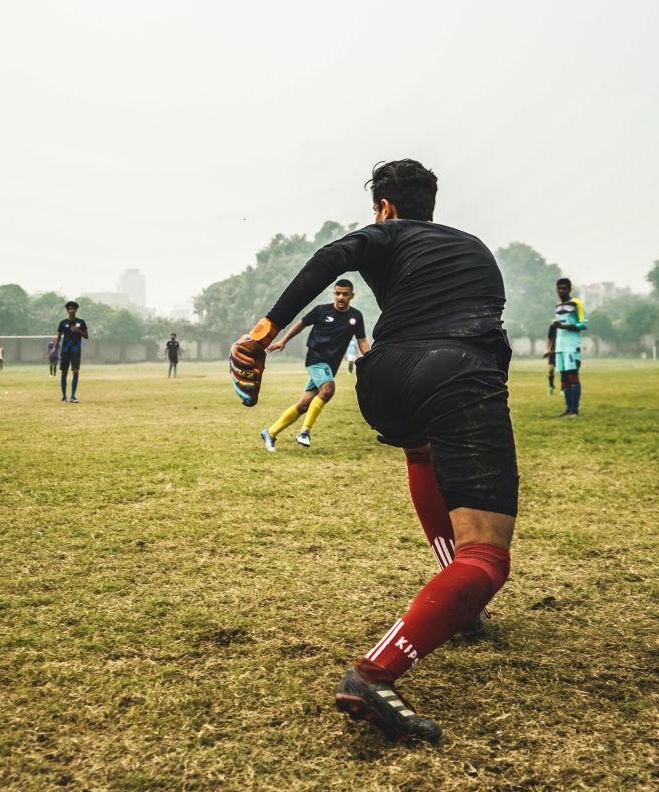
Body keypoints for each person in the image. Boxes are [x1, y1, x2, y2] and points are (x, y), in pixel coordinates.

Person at [230, 159, 516, 742]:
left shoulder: (384, 234)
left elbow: (329, 258)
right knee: (486, 557)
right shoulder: (473, 248)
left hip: (383, 378)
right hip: (458, 369)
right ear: (428, 205)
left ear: (384, 208)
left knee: (422, 452)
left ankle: (456, 601)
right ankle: (374, 672)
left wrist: (261, 334)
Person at [259, 279, 369, 450]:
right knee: (328, 390)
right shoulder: (321, 311)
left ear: (351, 296)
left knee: (303, 405)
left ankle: (270, 432)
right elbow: (301, 324)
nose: (341, 297)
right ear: (334, 293)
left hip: (330, 366)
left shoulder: (356, 316)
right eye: (337, 293)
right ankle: (304, 432)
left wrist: (370, 359)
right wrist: (283, 341)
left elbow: (362, 340)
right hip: (316, 359)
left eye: (345, 294)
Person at [552, 278, 587, 417]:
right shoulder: (558, 307)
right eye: (559, 288)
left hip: (572, 347)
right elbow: (558, 329)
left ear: (569, 289)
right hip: (560, 347)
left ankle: (575, 410)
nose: (561, 291)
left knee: (573, 376)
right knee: (564, 378)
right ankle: (568, 409)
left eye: (564, 288)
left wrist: (564, 326)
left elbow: (584, 324)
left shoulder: (576, 303)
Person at [55, 301, 89, 402]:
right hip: (65, 350)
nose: (72, 310)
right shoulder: (63, 323)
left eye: (73, 309)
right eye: (70, 309)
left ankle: (73, 396)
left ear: (76, 310)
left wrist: (77, 330)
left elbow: (87, 336)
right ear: (67, 310)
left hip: (76, 350)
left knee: (75, 371)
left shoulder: (81, 322)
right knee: (64, 372)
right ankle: (64, 396)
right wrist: (55, 347)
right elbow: (59, 336)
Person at [543, 322, 557, 396]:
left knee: (563, 371)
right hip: (553, 351)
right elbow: (548, 338)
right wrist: (546, 349)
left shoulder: (566, 326)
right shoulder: (553, 326)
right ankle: (551, 387)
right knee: (551, 370)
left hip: (562, 351)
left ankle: (563, 388)